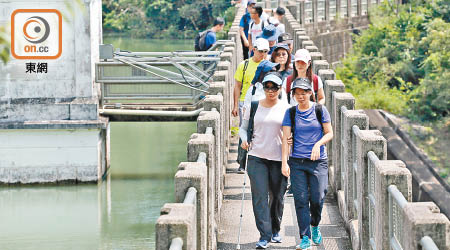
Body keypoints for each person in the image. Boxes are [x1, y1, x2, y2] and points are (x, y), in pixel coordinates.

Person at [281, 78, 333, 250]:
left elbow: (329, 133)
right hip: (297, 162)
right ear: (293, 94)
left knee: (318, 198)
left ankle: (315, 225)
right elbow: (285, 140)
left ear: (311, 93)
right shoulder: (290, 113)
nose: (301, 96)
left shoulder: (320, 110)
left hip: (318, 162)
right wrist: (284, 163)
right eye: (297, 93)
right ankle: (305, 237)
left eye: (304, 92)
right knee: (301, 199)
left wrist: (318, 144)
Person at [239, 73, 289, 249]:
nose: (270, 91)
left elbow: (292, 133)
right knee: (259, 197)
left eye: (274, 87)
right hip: (256, 157)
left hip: (278, 158)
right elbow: (243, 129)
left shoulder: (286, 108)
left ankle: (275, 229)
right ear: (263, 88)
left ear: (279, 89)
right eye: (267, 87)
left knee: (277, 197)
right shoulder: (254, 106)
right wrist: (244, 140)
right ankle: (264, 235)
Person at [233, 38, 269, 172]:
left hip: (262, 101)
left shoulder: (267, 65)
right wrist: (235, 105)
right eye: (260, 51)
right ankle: (242, 162)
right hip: (245, 102)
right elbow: (237, 86)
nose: (263, 54)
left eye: (265, 52)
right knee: (245, 130)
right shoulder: (244, 65)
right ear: (254, 50)